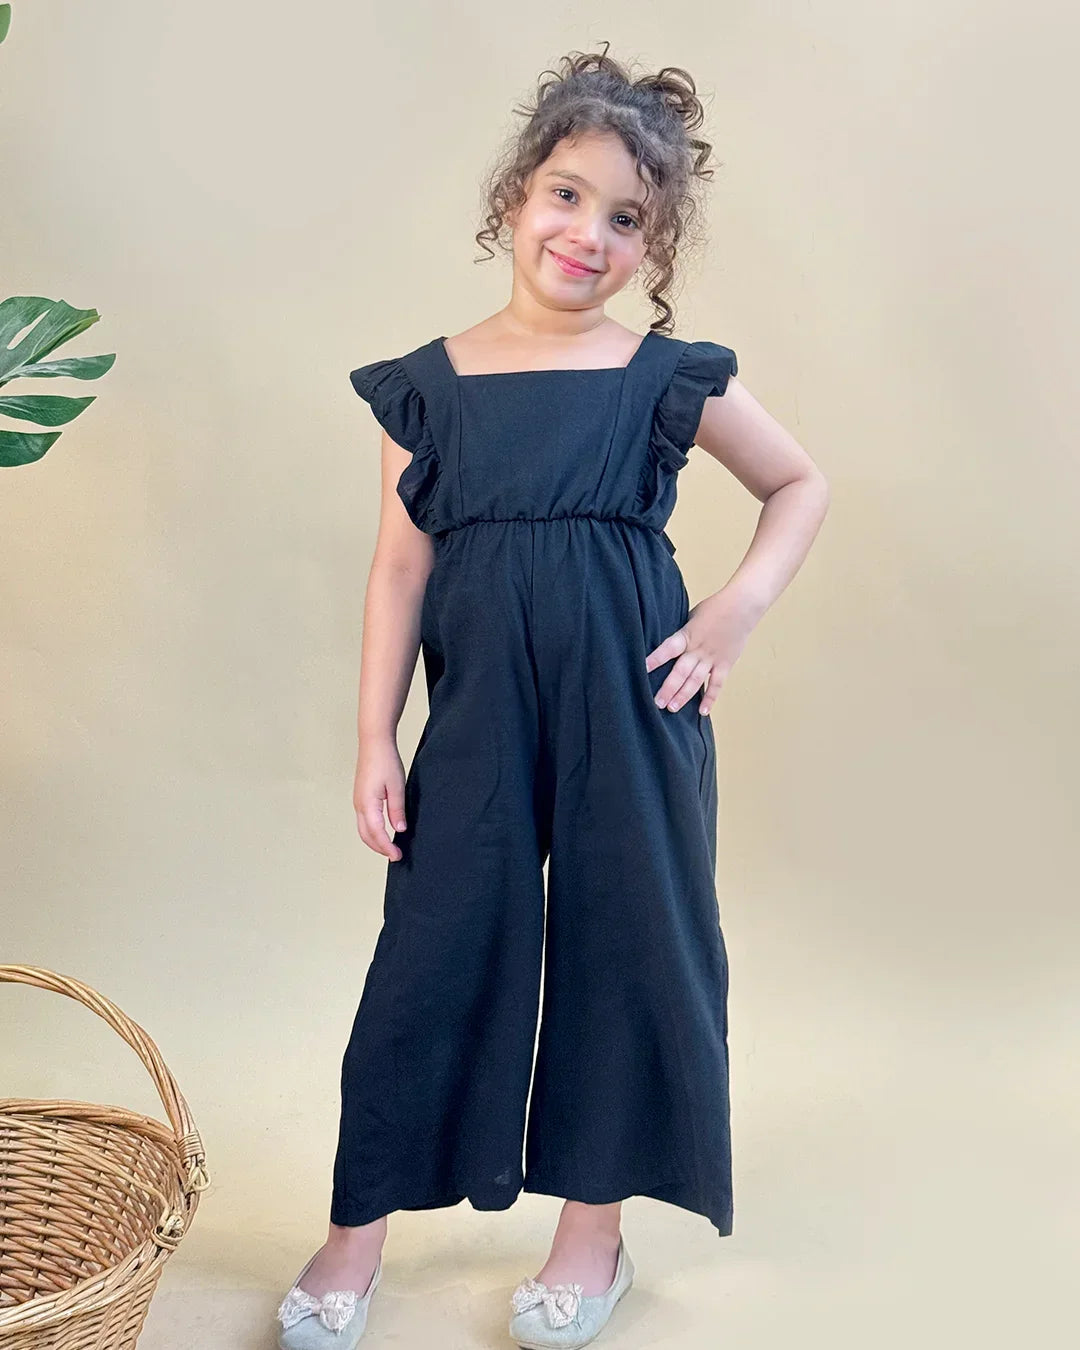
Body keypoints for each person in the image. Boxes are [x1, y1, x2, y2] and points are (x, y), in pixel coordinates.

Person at [276, 44, 829, 1350]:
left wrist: (731, 613)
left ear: (655, 245)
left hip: (632, 704)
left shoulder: (664, 379)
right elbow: (400, 564)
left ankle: (595, 1233)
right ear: (518, 193)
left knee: (626, 943)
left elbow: (798, 486)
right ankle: (356, 1229)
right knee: (434, 945)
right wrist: (372, 733)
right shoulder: (427, 388)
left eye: (628, 218)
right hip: (476, 714)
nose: (589, 233)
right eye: (569, 195)